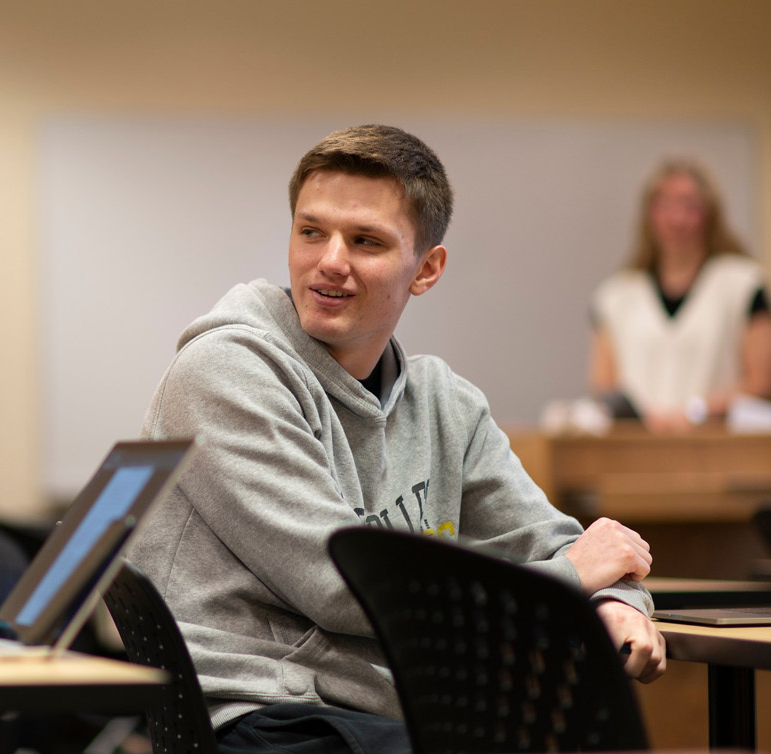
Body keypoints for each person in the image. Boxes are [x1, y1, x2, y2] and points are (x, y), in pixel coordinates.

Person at [129, 124, 665, 754]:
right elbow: (339, 585)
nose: (330, 260)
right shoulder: (226, 372)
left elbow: (569, 547)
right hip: (256, 713)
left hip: (390, 710)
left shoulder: (445, 404)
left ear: (426, 268)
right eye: (311, 231)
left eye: (366, 241)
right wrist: (570, 583)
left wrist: (623, 604)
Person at [589, 159, 771, 431]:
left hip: (717, 448)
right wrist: (647, 418)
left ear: (709, 213)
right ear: (649, 214)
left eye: (689, 205)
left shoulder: (742, 285)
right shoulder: (616, 296)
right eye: (665, 206)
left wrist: (696, 411)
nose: (677, 218)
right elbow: (604, 386)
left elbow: (760, 382)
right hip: (635, 452)